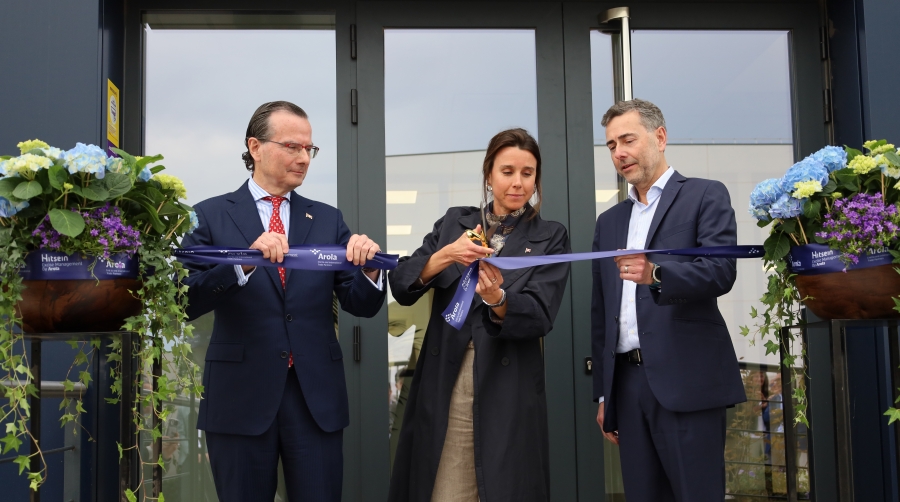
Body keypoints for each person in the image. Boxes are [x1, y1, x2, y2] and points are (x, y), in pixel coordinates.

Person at [179, 101, 386, 502]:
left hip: (314, 400)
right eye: (292, 146)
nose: (303, 158)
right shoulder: (209, 215)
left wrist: (371, 271)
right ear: (255, 147)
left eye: (309, 148)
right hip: (239, 397)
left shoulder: (327, 219)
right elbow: (185, 299)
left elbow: (360, 303)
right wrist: (242, 264)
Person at [388, 128, 571, 502]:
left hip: (507, 384)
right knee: (445, 488)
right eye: (507, 171)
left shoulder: (550, 236)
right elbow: (403, 283)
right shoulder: (455, 223)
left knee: (505, 487)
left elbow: (540, 315)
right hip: (448, 378)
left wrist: (497, 298)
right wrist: (447, 255)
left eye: (528, 173)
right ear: (489, 175)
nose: (518, 182)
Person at [590, 99, 747, 501]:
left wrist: (656, 274)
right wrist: (605, 393)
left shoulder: (704, 195)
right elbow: (601, 311)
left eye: (628, 140)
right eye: (611, 145)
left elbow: (720, 271)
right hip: (627, 386)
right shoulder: (609, 222)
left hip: (687, 381)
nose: (619, 153)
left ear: (659, 137)